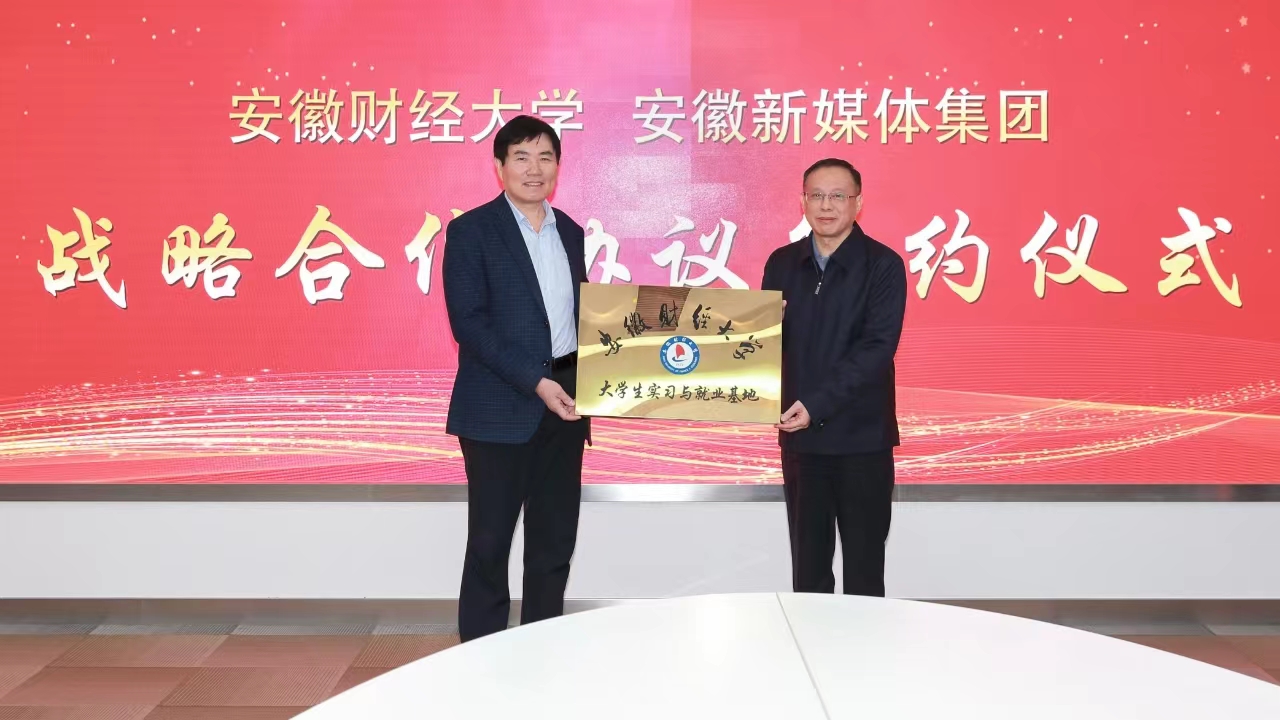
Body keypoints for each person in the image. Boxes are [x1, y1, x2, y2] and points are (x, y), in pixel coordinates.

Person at [441, 115, 589, 642]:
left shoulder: (570, 231)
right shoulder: (471, 231)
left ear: (557, 167)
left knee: (554, 542)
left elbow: (585, 318)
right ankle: (481, 654)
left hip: (565, 406)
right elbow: (470, 324)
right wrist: (536, 382)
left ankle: (540, 646)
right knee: (489, 543)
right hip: (497, 409)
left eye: (545, 157)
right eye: (521, 157)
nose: (534, 168)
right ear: (499, 167)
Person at [761, 158, 907, 596]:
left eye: (838, 196)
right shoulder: (782, 263)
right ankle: (810, 640)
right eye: (817, 196)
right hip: (802, 442)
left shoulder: (883, 265)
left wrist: (816, 404)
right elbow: (759, 346)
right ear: (803, 201)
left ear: (857, 203)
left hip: (862, 441)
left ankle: (866, 642)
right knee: (809, 571)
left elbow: (876, 349)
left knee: (864, 568)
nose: (826, 206)